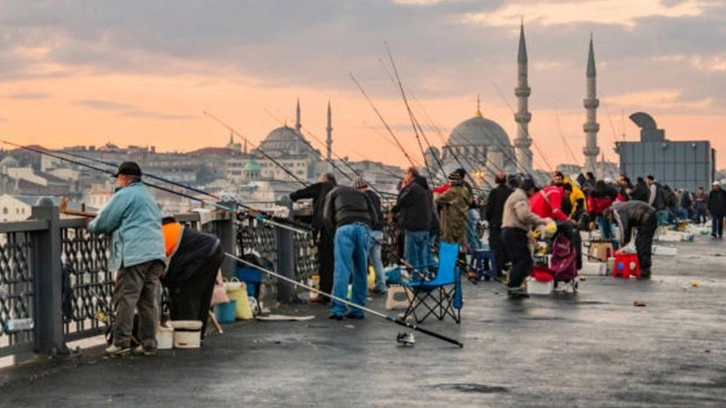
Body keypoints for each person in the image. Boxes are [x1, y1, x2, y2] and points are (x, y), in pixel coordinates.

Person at [88, 162, 166, 356]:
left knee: (125, 298)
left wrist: (90, 226)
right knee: (148, 300)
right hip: (156, 254)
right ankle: (149, 343)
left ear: (123, 178)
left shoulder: (124, 195)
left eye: (118, 178)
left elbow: (104, 222)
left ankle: (121, 342)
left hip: (135, 255)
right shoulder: (148, 196)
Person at [161, 216, 224, 341]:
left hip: (202, 254)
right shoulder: (170, 228)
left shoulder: (158, 235)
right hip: (215, 248)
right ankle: (197, 335)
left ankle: (186, 335)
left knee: (186, 294)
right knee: (203, 298)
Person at [323, 184, 377, 319]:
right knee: (361, 269)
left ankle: (338, 309)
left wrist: (334, 233)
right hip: (364, 227)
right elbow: (374, 217)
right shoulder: (363, 194)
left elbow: (326, 216)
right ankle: (358, 309)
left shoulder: (333, 192)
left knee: (342, 269)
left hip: (344, 227)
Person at [290, 173, 337, 303]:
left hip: (324, 229)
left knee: (325, 262)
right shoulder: (336, 190)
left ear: (324, 180)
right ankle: (331, 292)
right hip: (336, 229)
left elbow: (304, 192)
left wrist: (292, 197)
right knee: (332, 263)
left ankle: (325, 294)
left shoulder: (323, 186)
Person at [501, 179, 551, 299]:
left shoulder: (517, 195)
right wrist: (542, 221)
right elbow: (524, 216)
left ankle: (515, 285)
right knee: (523, 260)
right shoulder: (520, 198)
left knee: (519, 260)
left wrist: (532, 239)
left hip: (511, 232)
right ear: (530, 189)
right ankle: (514, 287)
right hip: (514, 232)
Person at [392, 167, 431, 278]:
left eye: (405, 173)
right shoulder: (423, 188)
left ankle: (416, 281)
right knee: (422, 257)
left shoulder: (413, 188)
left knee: (411, 258)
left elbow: (401, 201)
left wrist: (403, 188)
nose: (404, 176)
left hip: (414, 227)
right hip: (425, 226)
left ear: (410, 174)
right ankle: (424, 278)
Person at [604, 200, 658, 279]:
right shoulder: (619, 208)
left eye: (609, 219)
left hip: (647, 217)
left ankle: (644, 268)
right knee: (639, 242)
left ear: (609, 214)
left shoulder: (617, 212)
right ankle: (641, 266)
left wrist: (622, 244)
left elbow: (623, 227)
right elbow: (628, 226)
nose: (611, 221)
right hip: (647, 216)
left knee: (643, 244)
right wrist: (626, 241)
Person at [352, 177, 386, 295]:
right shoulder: (375, 196)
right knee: (377, 259)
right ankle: (381, 285)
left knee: (362, 259)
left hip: (369, 230)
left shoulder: (362, 197)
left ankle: (362, 289)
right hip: (379, 231)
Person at [485, 172, 512, 278]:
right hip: (508, 224)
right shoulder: (510, 193)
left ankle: (498, 270)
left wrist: (490, 220)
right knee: (506, 247)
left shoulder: (493, 193)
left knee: (496, 248)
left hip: (495, 225)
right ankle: (507, 268)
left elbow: (489, 210)